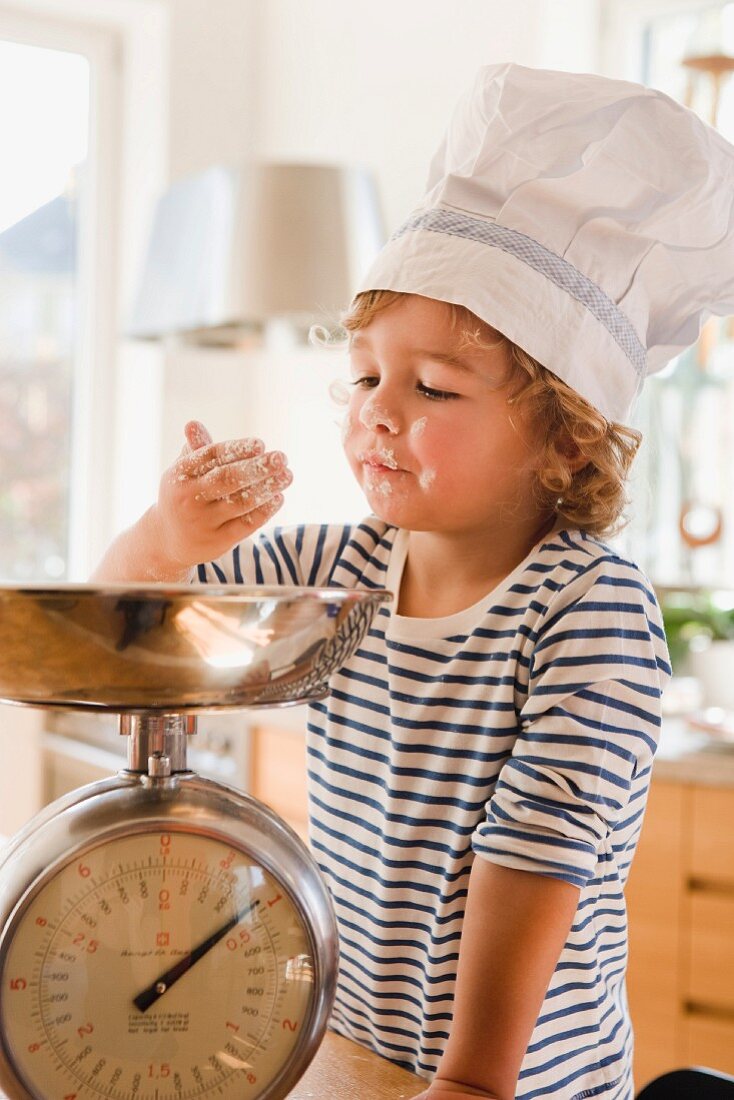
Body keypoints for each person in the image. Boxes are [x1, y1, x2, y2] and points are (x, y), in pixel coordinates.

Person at [94, 63, 734, 1100]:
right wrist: (164, 536)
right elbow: (119, 638)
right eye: (363, 375)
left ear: (564, 442)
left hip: (517, 1084)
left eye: (431, 384)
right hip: (349, 1055)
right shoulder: (328, 568)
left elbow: (537, 853)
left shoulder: (588, 610)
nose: (375, 411)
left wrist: (471, 1081)